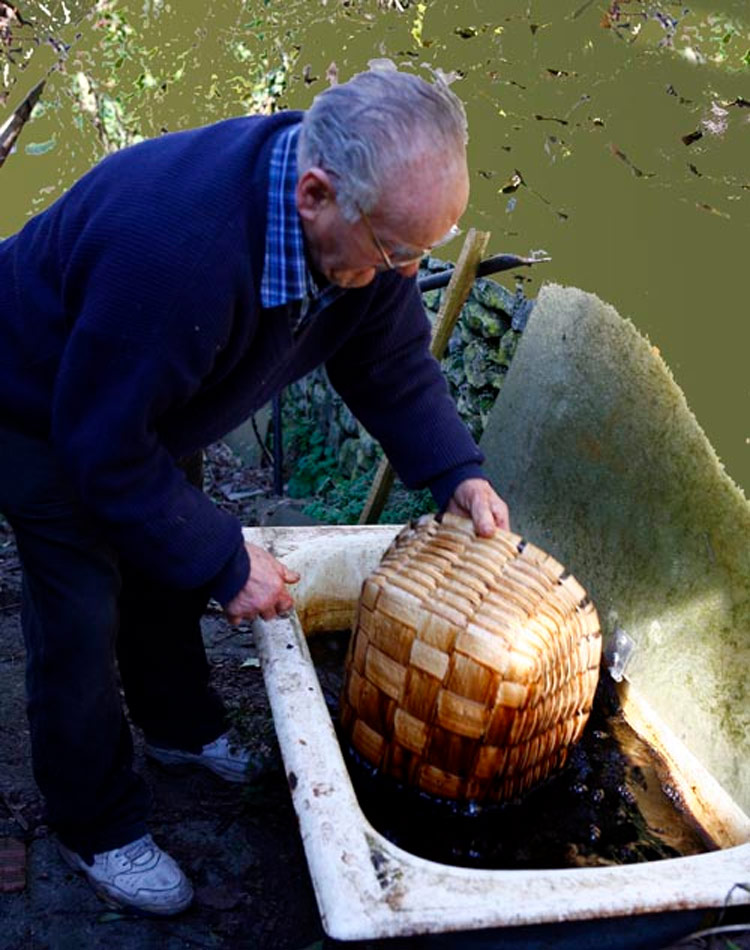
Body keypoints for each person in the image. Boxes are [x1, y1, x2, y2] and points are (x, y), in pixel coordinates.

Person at [0, 60, 510, 915]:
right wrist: (223, 559)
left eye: (420, 251)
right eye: (395, 251)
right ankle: (96, 826)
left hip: (142, 401)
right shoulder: (174, 249)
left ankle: (179, 729)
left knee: (167, 564)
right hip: (37, 403)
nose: (403, 272)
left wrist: (455, 472)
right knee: (82, 606)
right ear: (315, 194)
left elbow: (389, 364)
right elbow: (102, 448)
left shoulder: (362, 229)